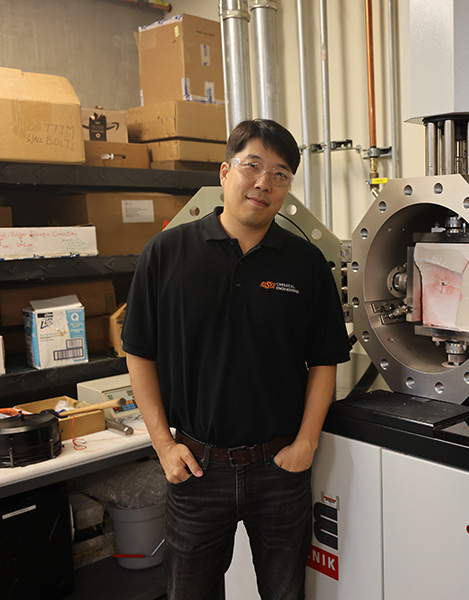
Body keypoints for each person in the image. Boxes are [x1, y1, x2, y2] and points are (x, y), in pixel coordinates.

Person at [122, 119, 351, 600]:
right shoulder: (166, 254)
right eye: (253, 166)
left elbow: (325, 362)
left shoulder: (306, 264)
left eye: (281, 173)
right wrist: (164, 446)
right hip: (196, 469)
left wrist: (306, 443)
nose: (264, 182)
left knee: (285, 593)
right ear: (225, 173)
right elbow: (139, 354)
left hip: (279, 470)